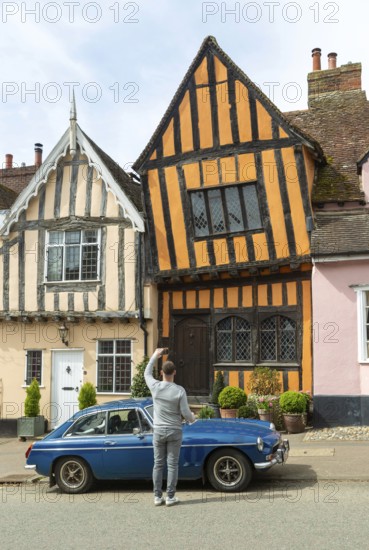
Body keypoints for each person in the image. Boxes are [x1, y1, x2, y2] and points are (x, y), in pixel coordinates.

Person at [144, 347, 195, 507]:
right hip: (174, 431)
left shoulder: (155, 387)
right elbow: (186, 413)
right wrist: (192, 418)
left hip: (158, 431)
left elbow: (146, 373)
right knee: (172, 464)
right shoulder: (180, 391)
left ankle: (157, 497)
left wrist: (155, 355)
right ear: (174, 373)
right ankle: (170, 497)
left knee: (158, 463)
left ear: (161, 373)